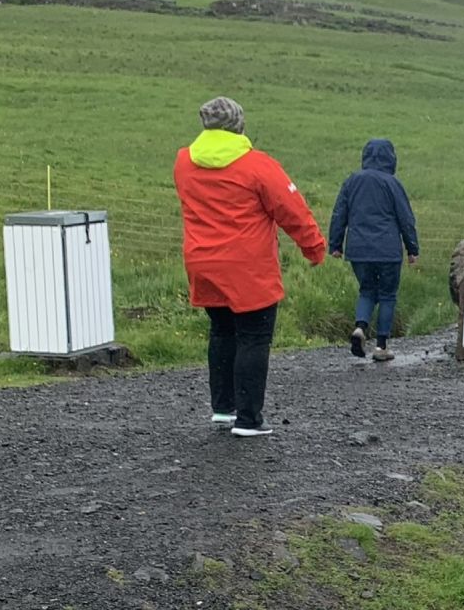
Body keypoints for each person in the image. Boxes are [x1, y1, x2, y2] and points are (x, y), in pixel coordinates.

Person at [173, 96, 325, 438]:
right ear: (239, 125)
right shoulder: (258, 165)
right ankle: (249, 419)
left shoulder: (184, 162)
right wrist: (314, 247)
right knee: (253, 338)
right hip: (248, 267)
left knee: (222, 332)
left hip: (202, 262)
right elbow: (292, 210)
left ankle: (223, 409)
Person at [327, 138, 420, 364]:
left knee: (367, 290)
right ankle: (381, 345)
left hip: (358, 249)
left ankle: (360, 327)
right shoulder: (392, 183)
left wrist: (335, 244)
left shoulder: (352, 182)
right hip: (387, 249)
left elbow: (339, 214)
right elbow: (405, 218)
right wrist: (412, 248)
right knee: (387, 295)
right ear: (391, 158)